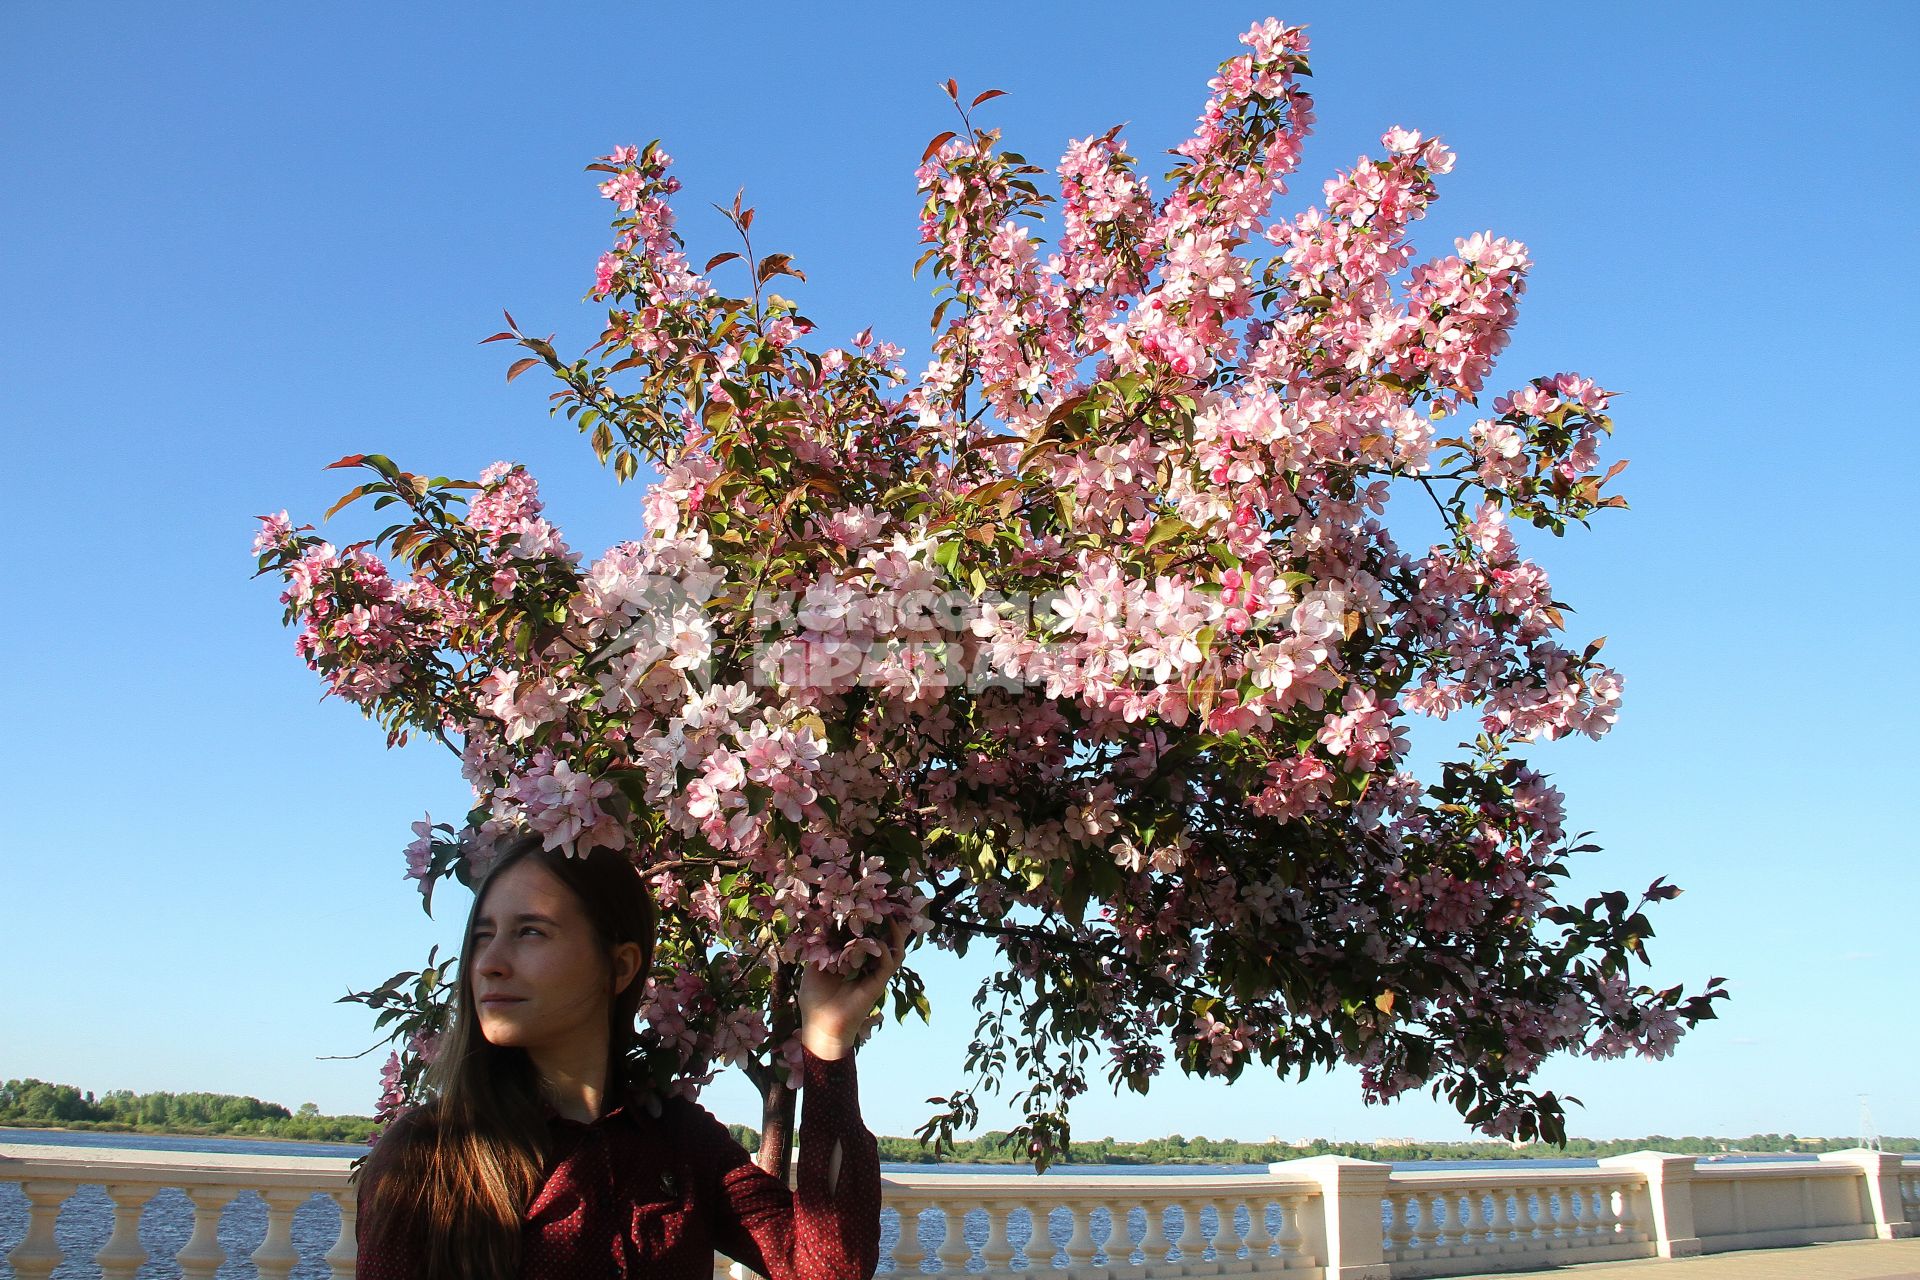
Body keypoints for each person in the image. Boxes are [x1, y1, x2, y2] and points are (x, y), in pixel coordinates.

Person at [353, 832, 903, 1280]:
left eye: (530, 932)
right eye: (482, 935)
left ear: (618, 967)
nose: (490, 962)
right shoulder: (425, 1157)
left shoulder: (680, 1142)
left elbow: (829, 1269)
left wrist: (829, 1041)